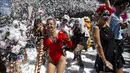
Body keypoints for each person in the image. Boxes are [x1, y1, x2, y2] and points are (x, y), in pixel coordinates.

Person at [93, 4, 125, 73]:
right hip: (104, 55)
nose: (107, 16)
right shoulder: (96, 28)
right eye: (104, 14)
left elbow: (109, 6)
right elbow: (98, 45)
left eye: (108, 15)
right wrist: (105, 61)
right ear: (99, 15)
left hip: (115, 53)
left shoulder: (107, 23)